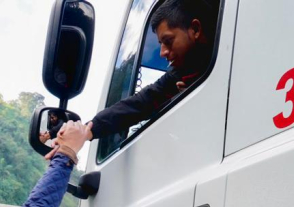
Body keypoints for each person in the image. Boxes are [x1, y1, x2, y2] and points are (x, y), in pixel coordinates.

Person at [48, 0, 216, 156]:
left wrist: (201, 98)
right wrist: (87, 130)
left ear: (195, 29)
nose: (162, 52)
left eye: (168, 41)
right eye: (161, 44)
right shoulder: (179, 75)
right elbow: (141, 103)